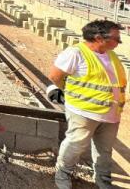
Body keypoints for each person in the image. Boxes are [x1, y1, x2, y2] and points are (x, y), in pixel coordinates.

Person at [47, 20, 126, 189]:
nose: (119, 42)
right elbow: (55, 76)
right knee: (75, 146)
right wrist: (69, 93)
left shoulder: (111, 55)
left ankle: (103, 182)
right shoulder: (76, 53)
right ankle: (62, 175)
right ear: (99, 38)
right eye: (116, 38)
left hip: (111, 114)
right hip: (84, 113)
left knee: (104, 152)